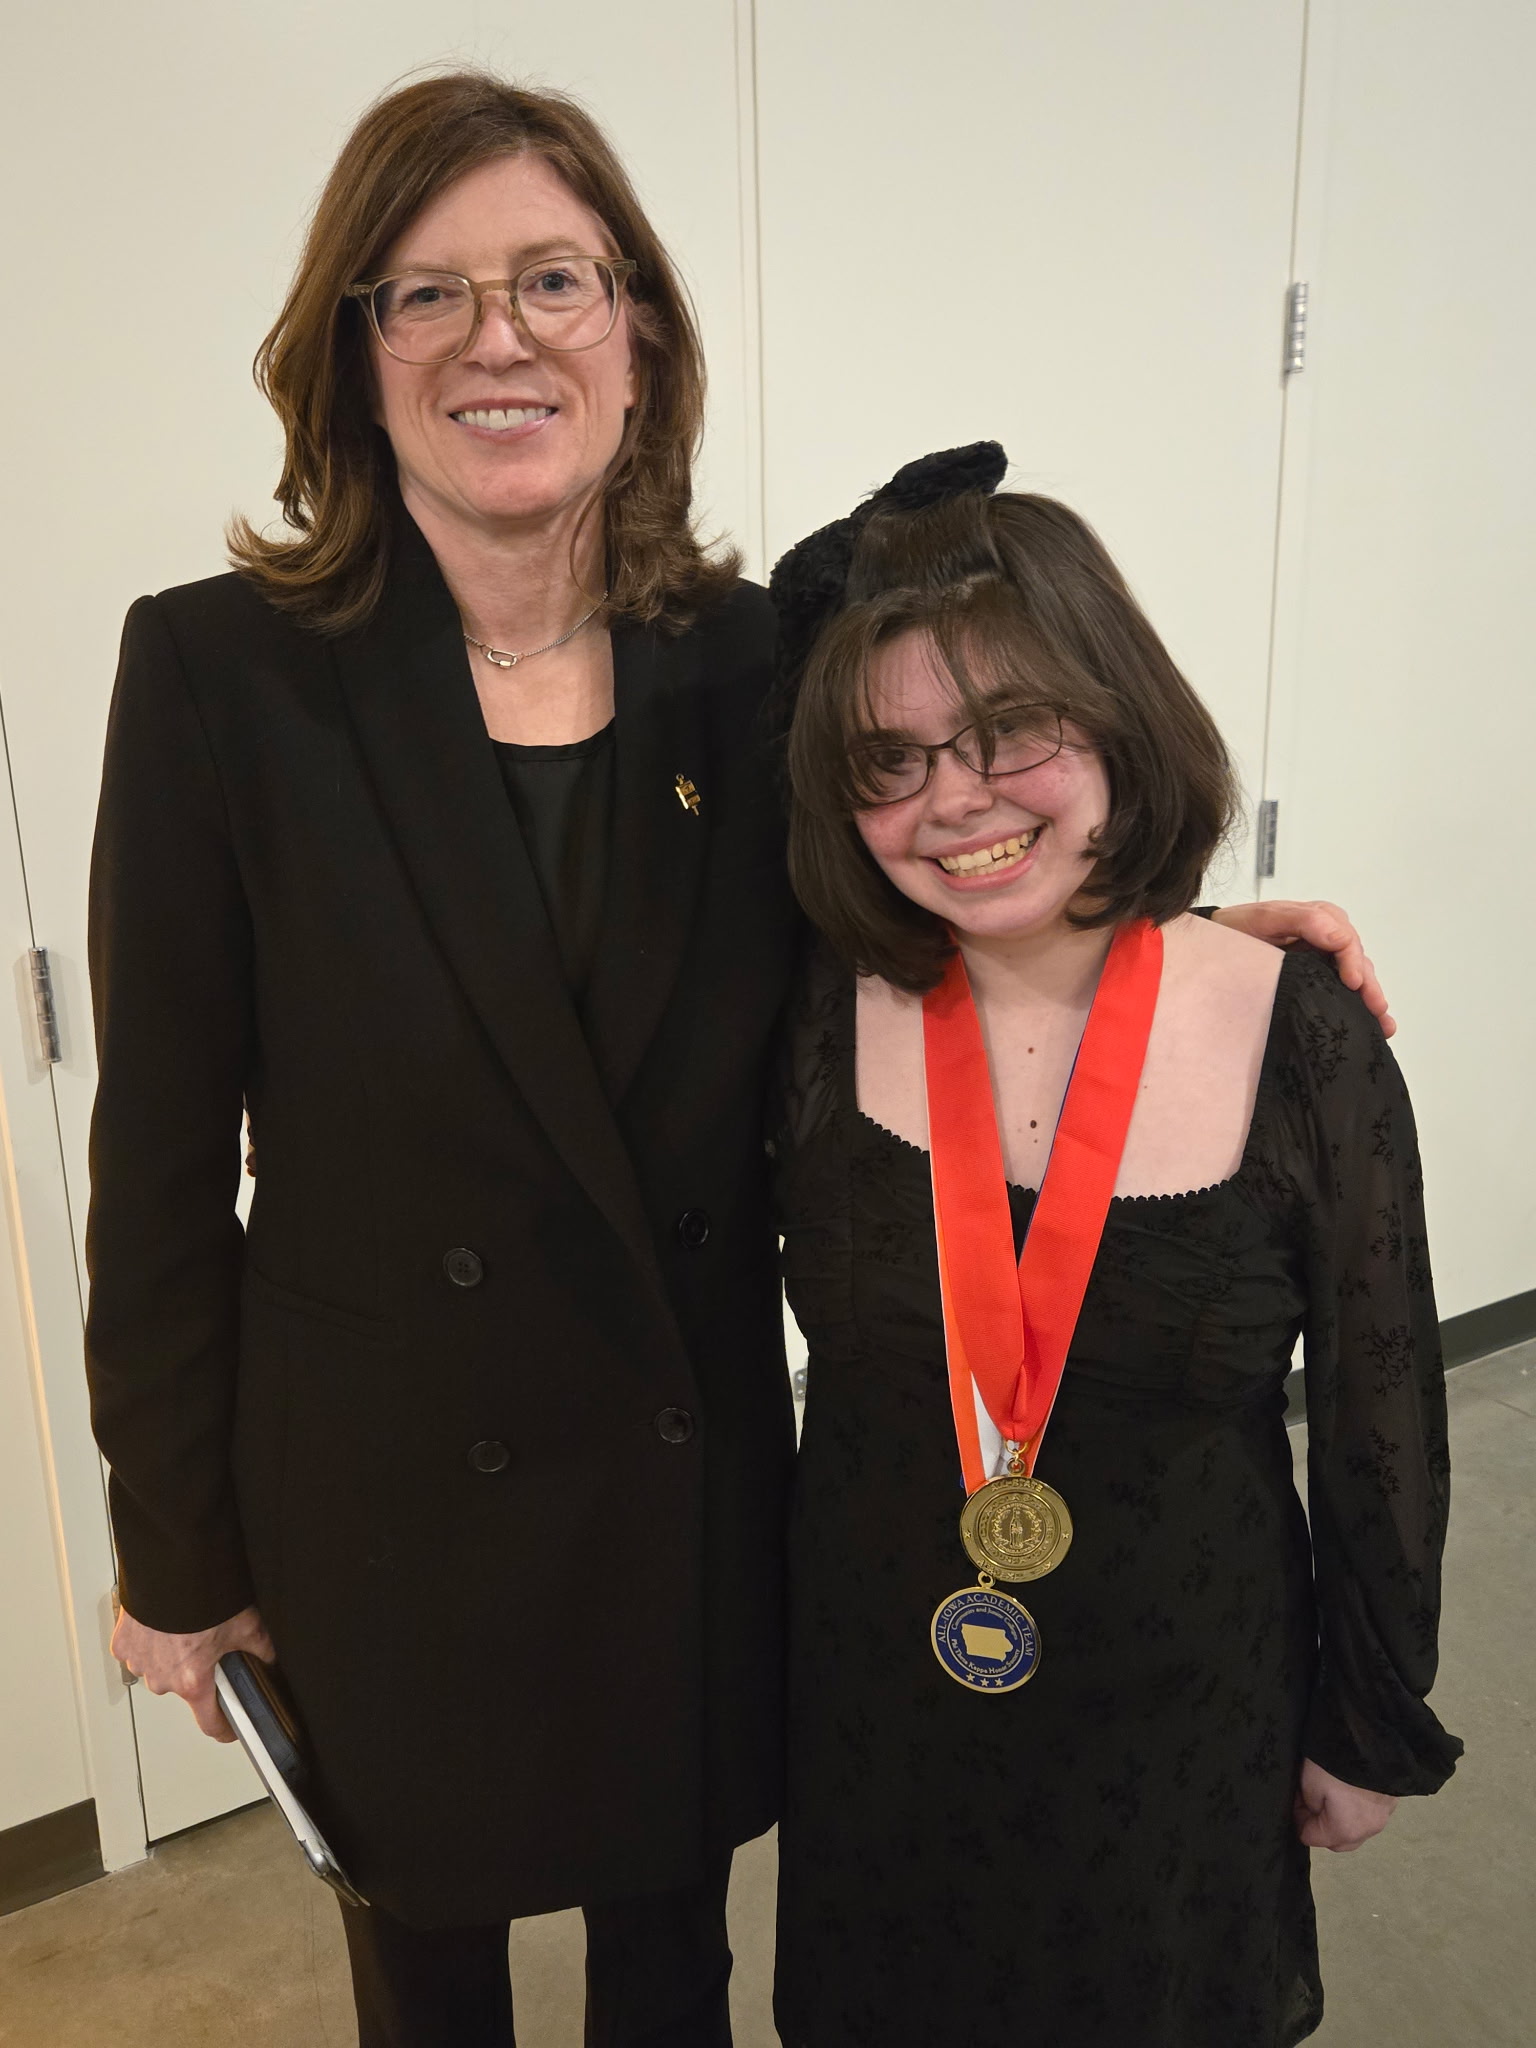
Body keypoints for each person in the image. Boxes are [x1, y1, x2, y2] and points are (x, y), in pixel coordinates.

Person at [85, 72, 1389, 2046]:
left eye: (552, 278)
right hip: (372, 1489)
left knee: (671, 1969)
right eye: (425, 294)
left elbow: (947, 858)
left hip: (676, 1473)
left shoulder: (748, 661)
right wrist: (175, 1545)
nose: (497, 336)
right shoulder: (220, 675)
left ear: (641, 336)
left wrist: (1190, 939)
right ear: (350, 356)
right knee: (419, 1972)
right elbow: (164, 1155)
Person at [768, 445, 1461, 2048]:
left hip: (1186, 1714)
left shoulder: (1302, 1043)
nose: (957, 798)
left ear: (1118, 715)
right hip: (881, 1708)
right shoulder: (811, 1016)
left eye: (1014, 729)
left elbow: (1385, 1413)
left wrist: (1367, 1715)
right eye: (892, 760)